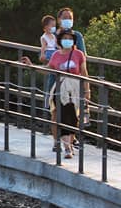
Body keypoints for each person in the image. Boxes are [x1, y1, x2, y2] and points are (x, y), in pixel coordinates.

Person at [22, 29, 91, 159]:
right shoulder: (56, 55)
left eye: (70, 38)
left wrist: (87, 91)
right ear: (60, 40)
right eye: (65, 38)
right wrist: (32, 66)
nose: (67, 41)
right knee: (62, 117)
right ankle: (67, 148)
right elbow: (48, 69)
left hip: (75, 91)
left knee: (73, 119)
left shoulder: (79, 54)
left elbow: (84, 73)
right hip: (60, 90)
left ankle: (69, 144)